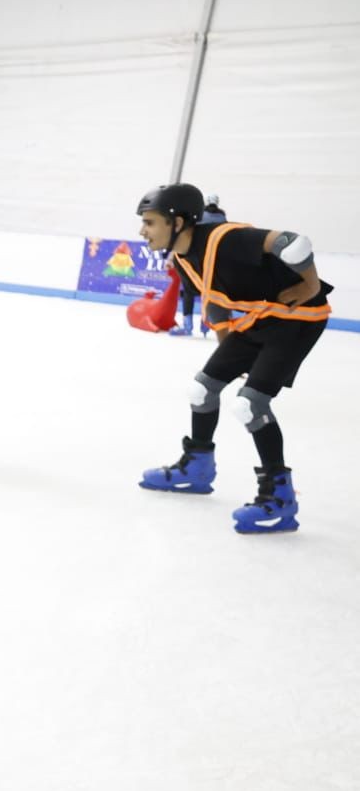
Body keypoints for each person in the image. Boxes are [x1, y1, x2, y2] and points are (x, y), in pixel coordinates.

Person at [136, 182, 332, 534]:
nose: (142, 231)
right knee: (202, 390)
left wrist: (310, 285)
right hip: (260, 318)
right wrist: (227, 353)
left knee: (250, 405)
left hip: (298, 317)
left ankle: (280, 498)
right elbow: (215, 300)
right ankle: (197, 467)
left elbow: (293, 243)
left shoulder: (225, 239)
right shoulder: (183, 259)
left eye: (149, 222)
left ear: (177, 222)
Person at [174, 192, 230, 336]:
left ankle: (187, 326)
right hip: (214, 260)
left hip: (195, 258)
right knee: (208, 291)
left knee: (188, 291)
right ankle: (205, 324)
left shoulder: (199, 216)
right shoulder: (223, 219)